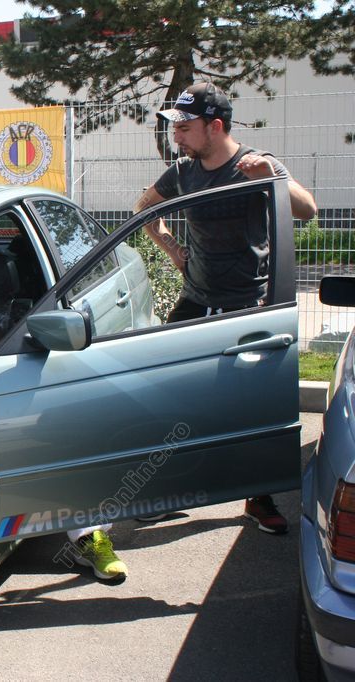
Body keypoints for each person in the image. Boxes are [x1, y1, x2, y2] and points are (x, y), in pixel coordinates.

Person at [134, 81, 318, 534]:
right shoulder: (182, 172)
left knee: (252, 408)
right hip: (196, 298)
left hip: (248, 305)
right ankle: (165, 492)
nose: (176, 136)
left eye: (185, 128)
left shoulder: (256, 164)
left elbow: (308, 209)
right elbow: (144, 208)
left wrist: (271, 179)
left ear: (215, 127)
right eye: (175, 127)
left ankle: (258, 497)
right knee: (167, 395)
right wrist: (173, 250)